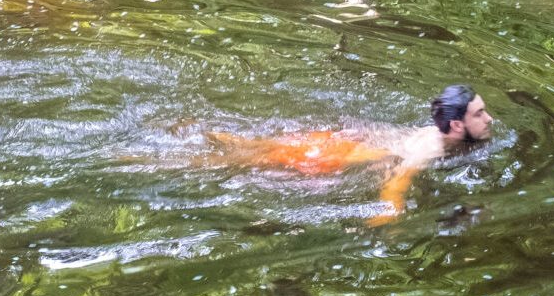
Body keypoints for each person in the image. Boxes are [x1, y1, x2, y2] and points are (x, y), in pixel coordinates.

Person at [203, 85, 494, 226]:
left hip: (337, 143)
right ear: (456, 125)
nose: (490, 118)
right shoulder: (431, 148)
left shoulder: (442, 136)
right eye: (480, 113)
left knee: (259, 149)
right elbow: (400, 176)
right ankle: (186, 156)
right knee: (233, 162)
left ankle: (217, 136)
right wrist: (390, 210)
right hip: (333, 157)